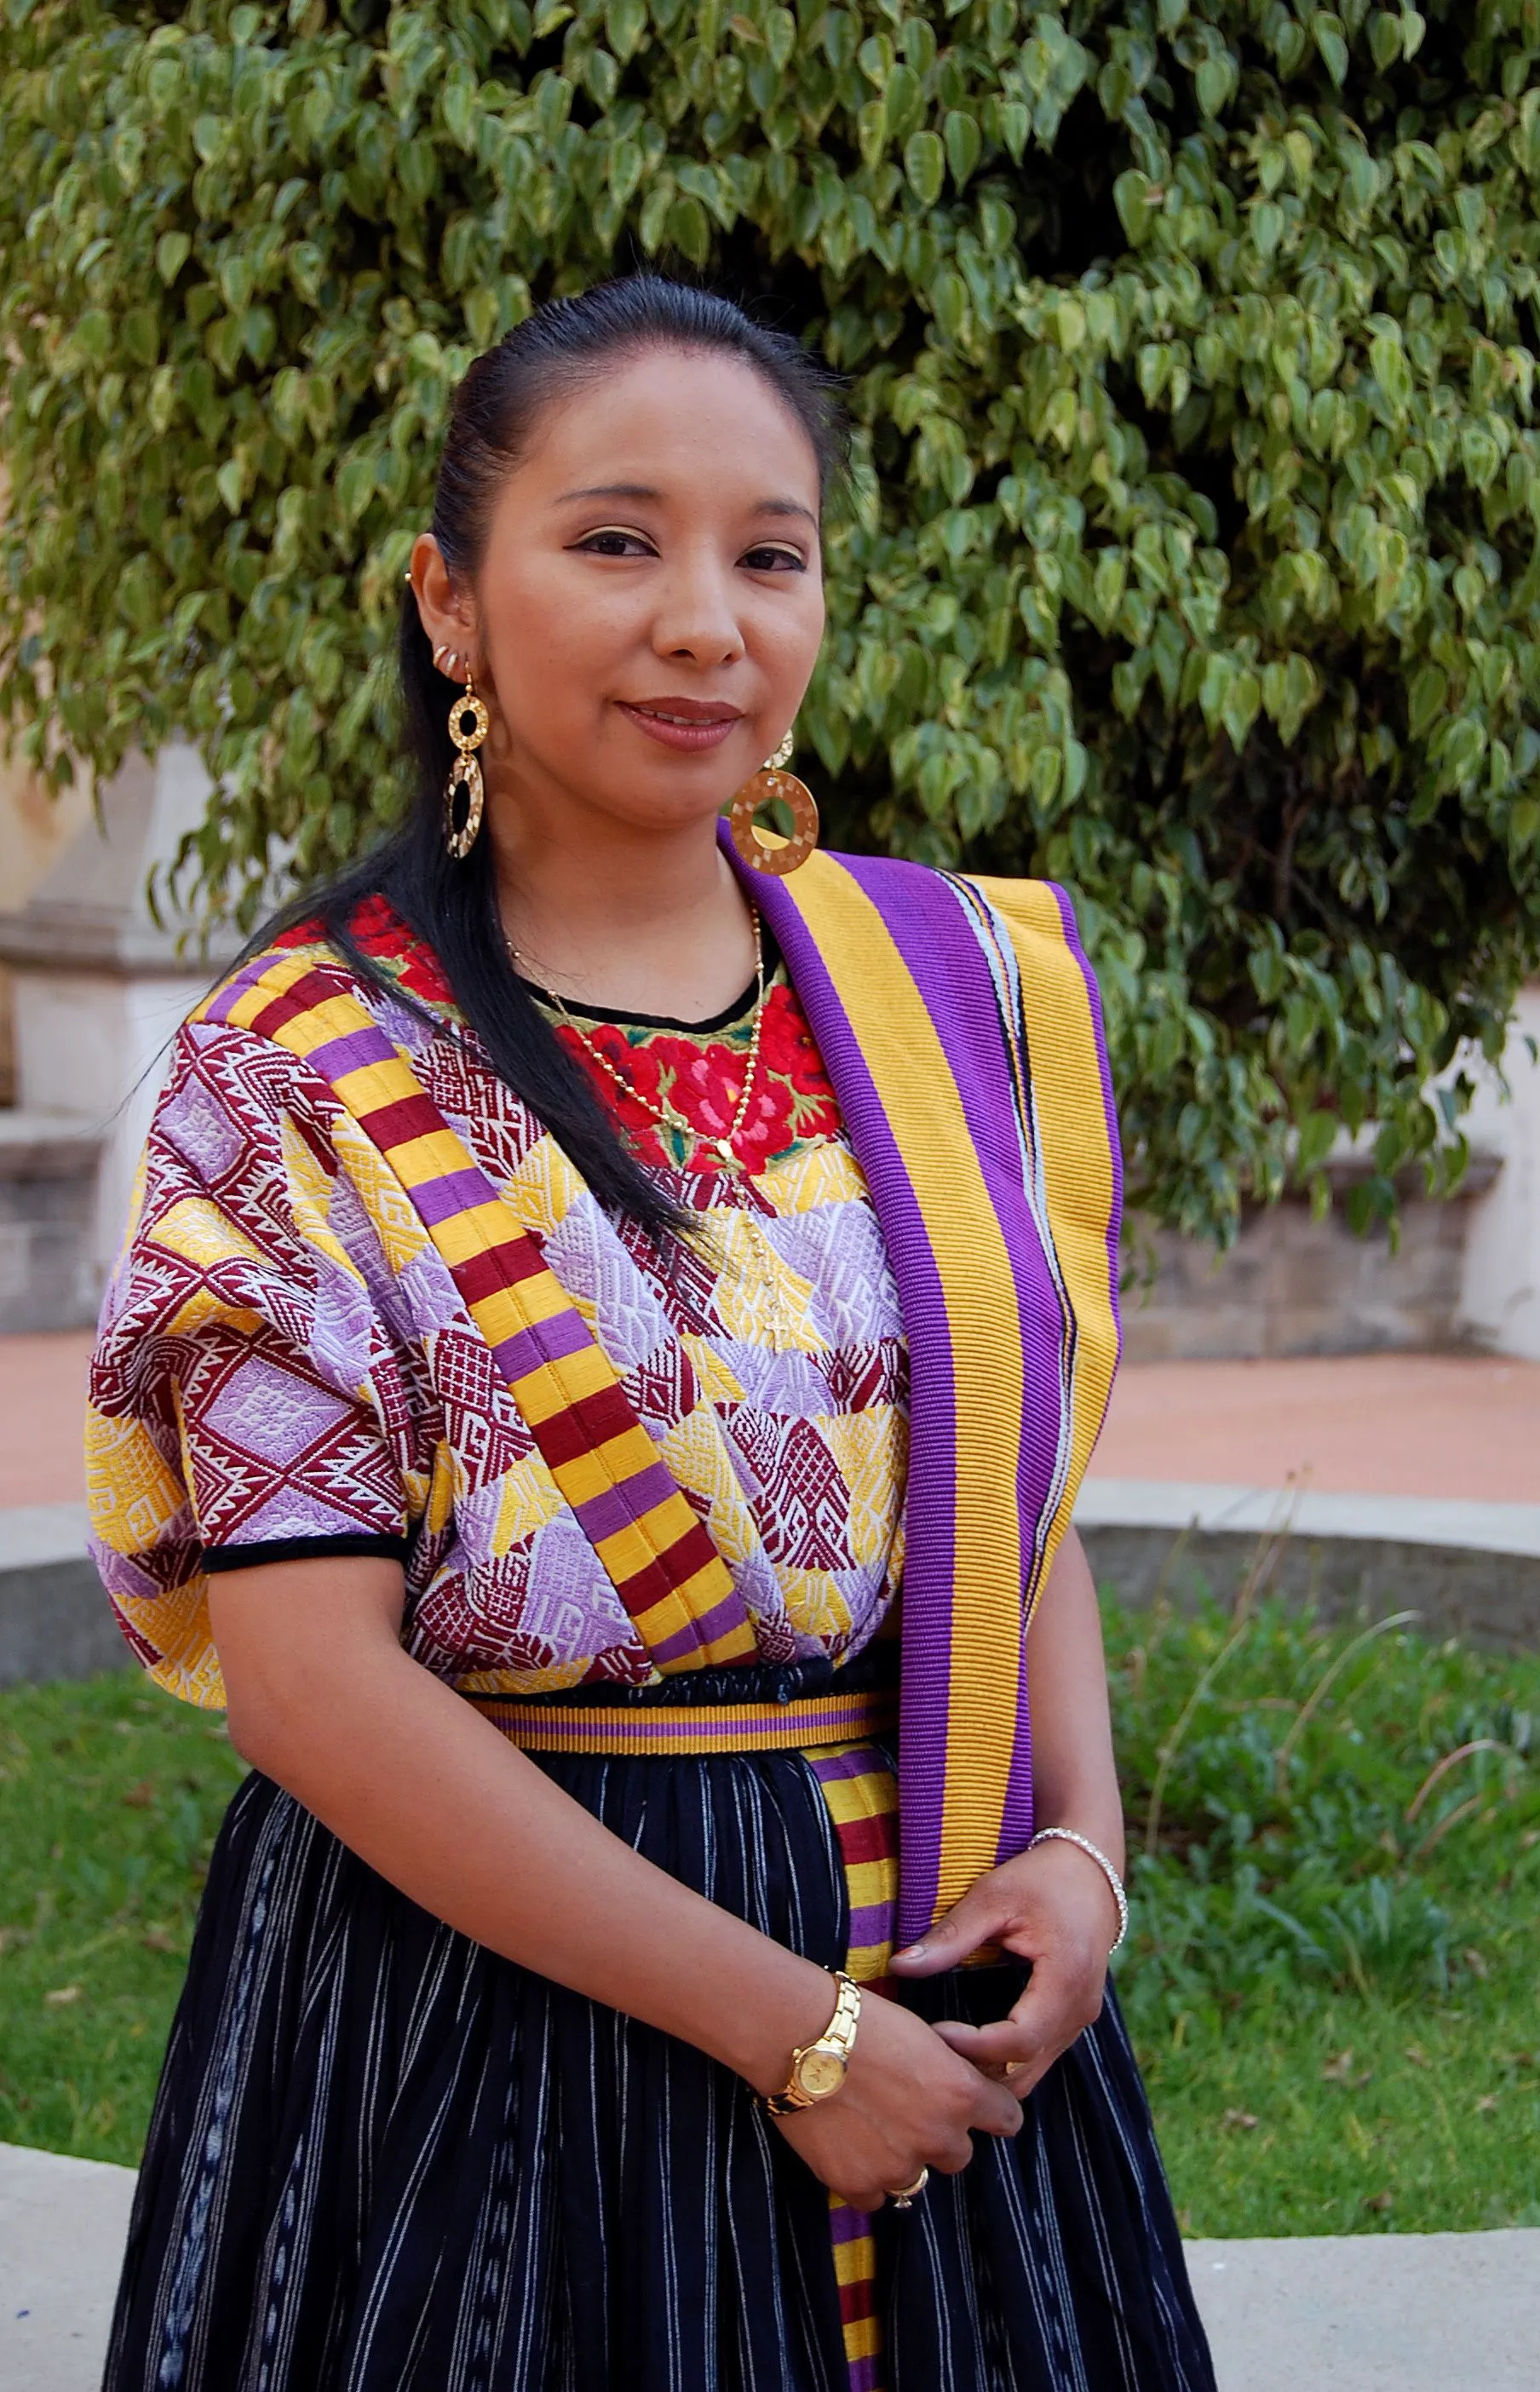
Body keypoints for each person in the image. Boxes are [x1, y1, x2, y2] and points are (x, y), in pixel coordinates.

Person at [87, 276, 1214, 2392]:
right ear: (447, 603)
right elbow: (312, 1691)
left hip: (946, 1979)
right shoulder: (291, 1075)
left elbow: (996, 1465)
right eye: (616, 541)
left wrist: (1081, 1855)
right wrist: (790, 2037)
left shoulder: (938, 982)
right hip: (492, 2018)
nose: (706, 618)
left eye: (766, 556)